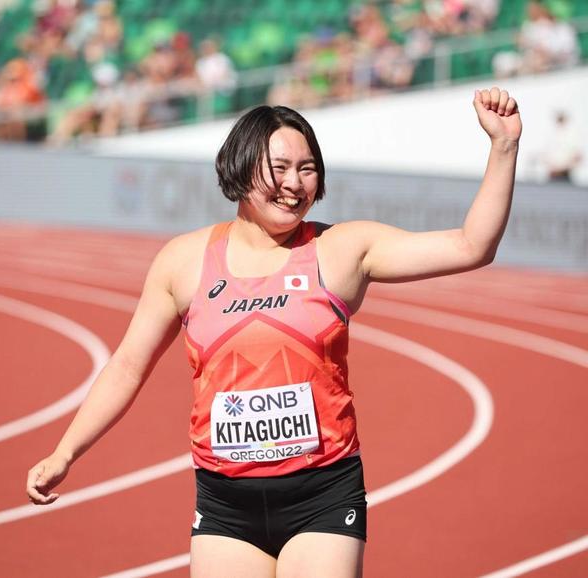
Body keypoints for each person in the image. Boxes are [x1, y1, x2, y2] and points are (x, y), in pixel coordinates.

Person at [26, 86, 521, 577]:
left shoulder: (342, 249)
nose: (295, 183)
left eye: (307, 169)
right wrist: (65, 451)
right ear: (240, 168)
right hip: (225, 505)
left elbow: (471, 245)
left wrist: (503, 146)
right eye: (279, 168)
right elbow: (129, 366)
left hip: (323, 496)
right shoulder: (183, 261)